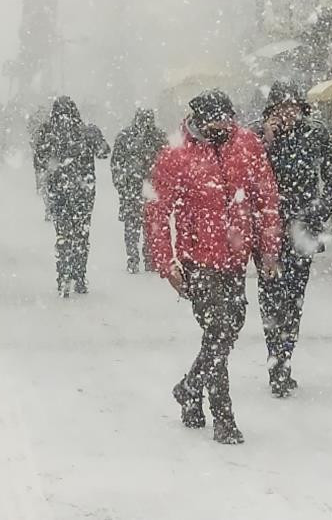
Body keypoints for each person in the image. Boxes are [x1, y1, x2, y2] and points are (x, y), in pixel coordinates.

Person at [146, 89, 281, 444]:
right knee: (219, 330)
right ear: (199, 120)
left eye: (228, 119)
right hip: (198, 260)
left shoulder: (246, 145)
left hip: (235, 258)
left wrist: (268, 249)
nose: (224, 125)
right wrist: (166, 262)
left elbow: (264, 198)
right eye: (216, 120)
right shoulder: (176, 154)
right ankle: (224, 417)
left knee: (229, 328)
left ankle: (190, 388)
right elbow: (157, 211)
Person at [255, 82, 332, 397]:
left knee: (293, 297)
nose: (287, 113)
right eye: (281, 108)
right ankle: (276, 362)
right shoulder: (257, 136)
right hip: (267, 230)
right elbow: (243, 175)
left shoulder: (315, 134)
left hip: (303, 228)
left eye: (293, 107)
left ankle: (285, 355)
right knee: (271, 296)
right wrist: (265, 140)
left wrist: (318, 211)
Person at [40, 96, 108, 297]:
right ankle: (79, 275)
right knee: (81, 233)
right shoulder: (87, 132)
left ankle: (63, 275)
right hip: (83, 192)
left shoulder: (48, 133)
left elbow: (40, 158)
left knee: (62, 232)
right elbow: (104, 151)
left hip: (58, 190)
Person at [111, 108, 167, 273]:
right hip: (149, 188)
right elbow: (166, 162)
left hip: (133, 187)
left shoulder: (125, 136)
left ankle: (133, 259)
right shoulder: (158, 137)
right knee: (149, 224)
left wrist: (121, 183)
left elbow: (116, 164)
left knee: (132, 226)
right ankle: (146, 258)